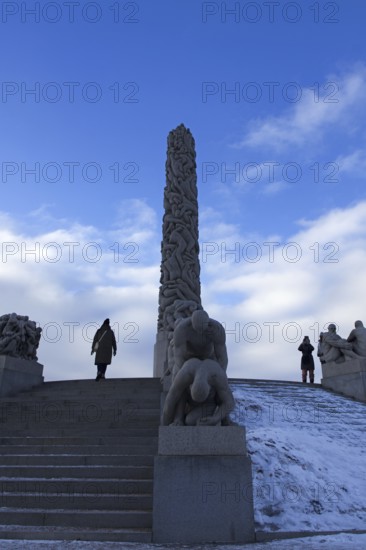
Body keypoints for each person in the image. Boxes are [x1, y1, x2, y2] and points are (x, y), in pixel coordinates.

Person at [162, 358, 235, 426]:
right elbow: (171, 397)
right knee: (180, 390)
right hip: (188, 401)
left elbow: (229, 402)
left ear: (209, 387)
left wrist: (215, 418)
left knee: (190, 421)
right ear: (191, 385)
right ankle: (179, 418)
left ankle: (223, 419)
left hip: (208, 403)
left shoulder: (217, 375)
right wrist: (165, 425)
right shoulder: (186, 372)